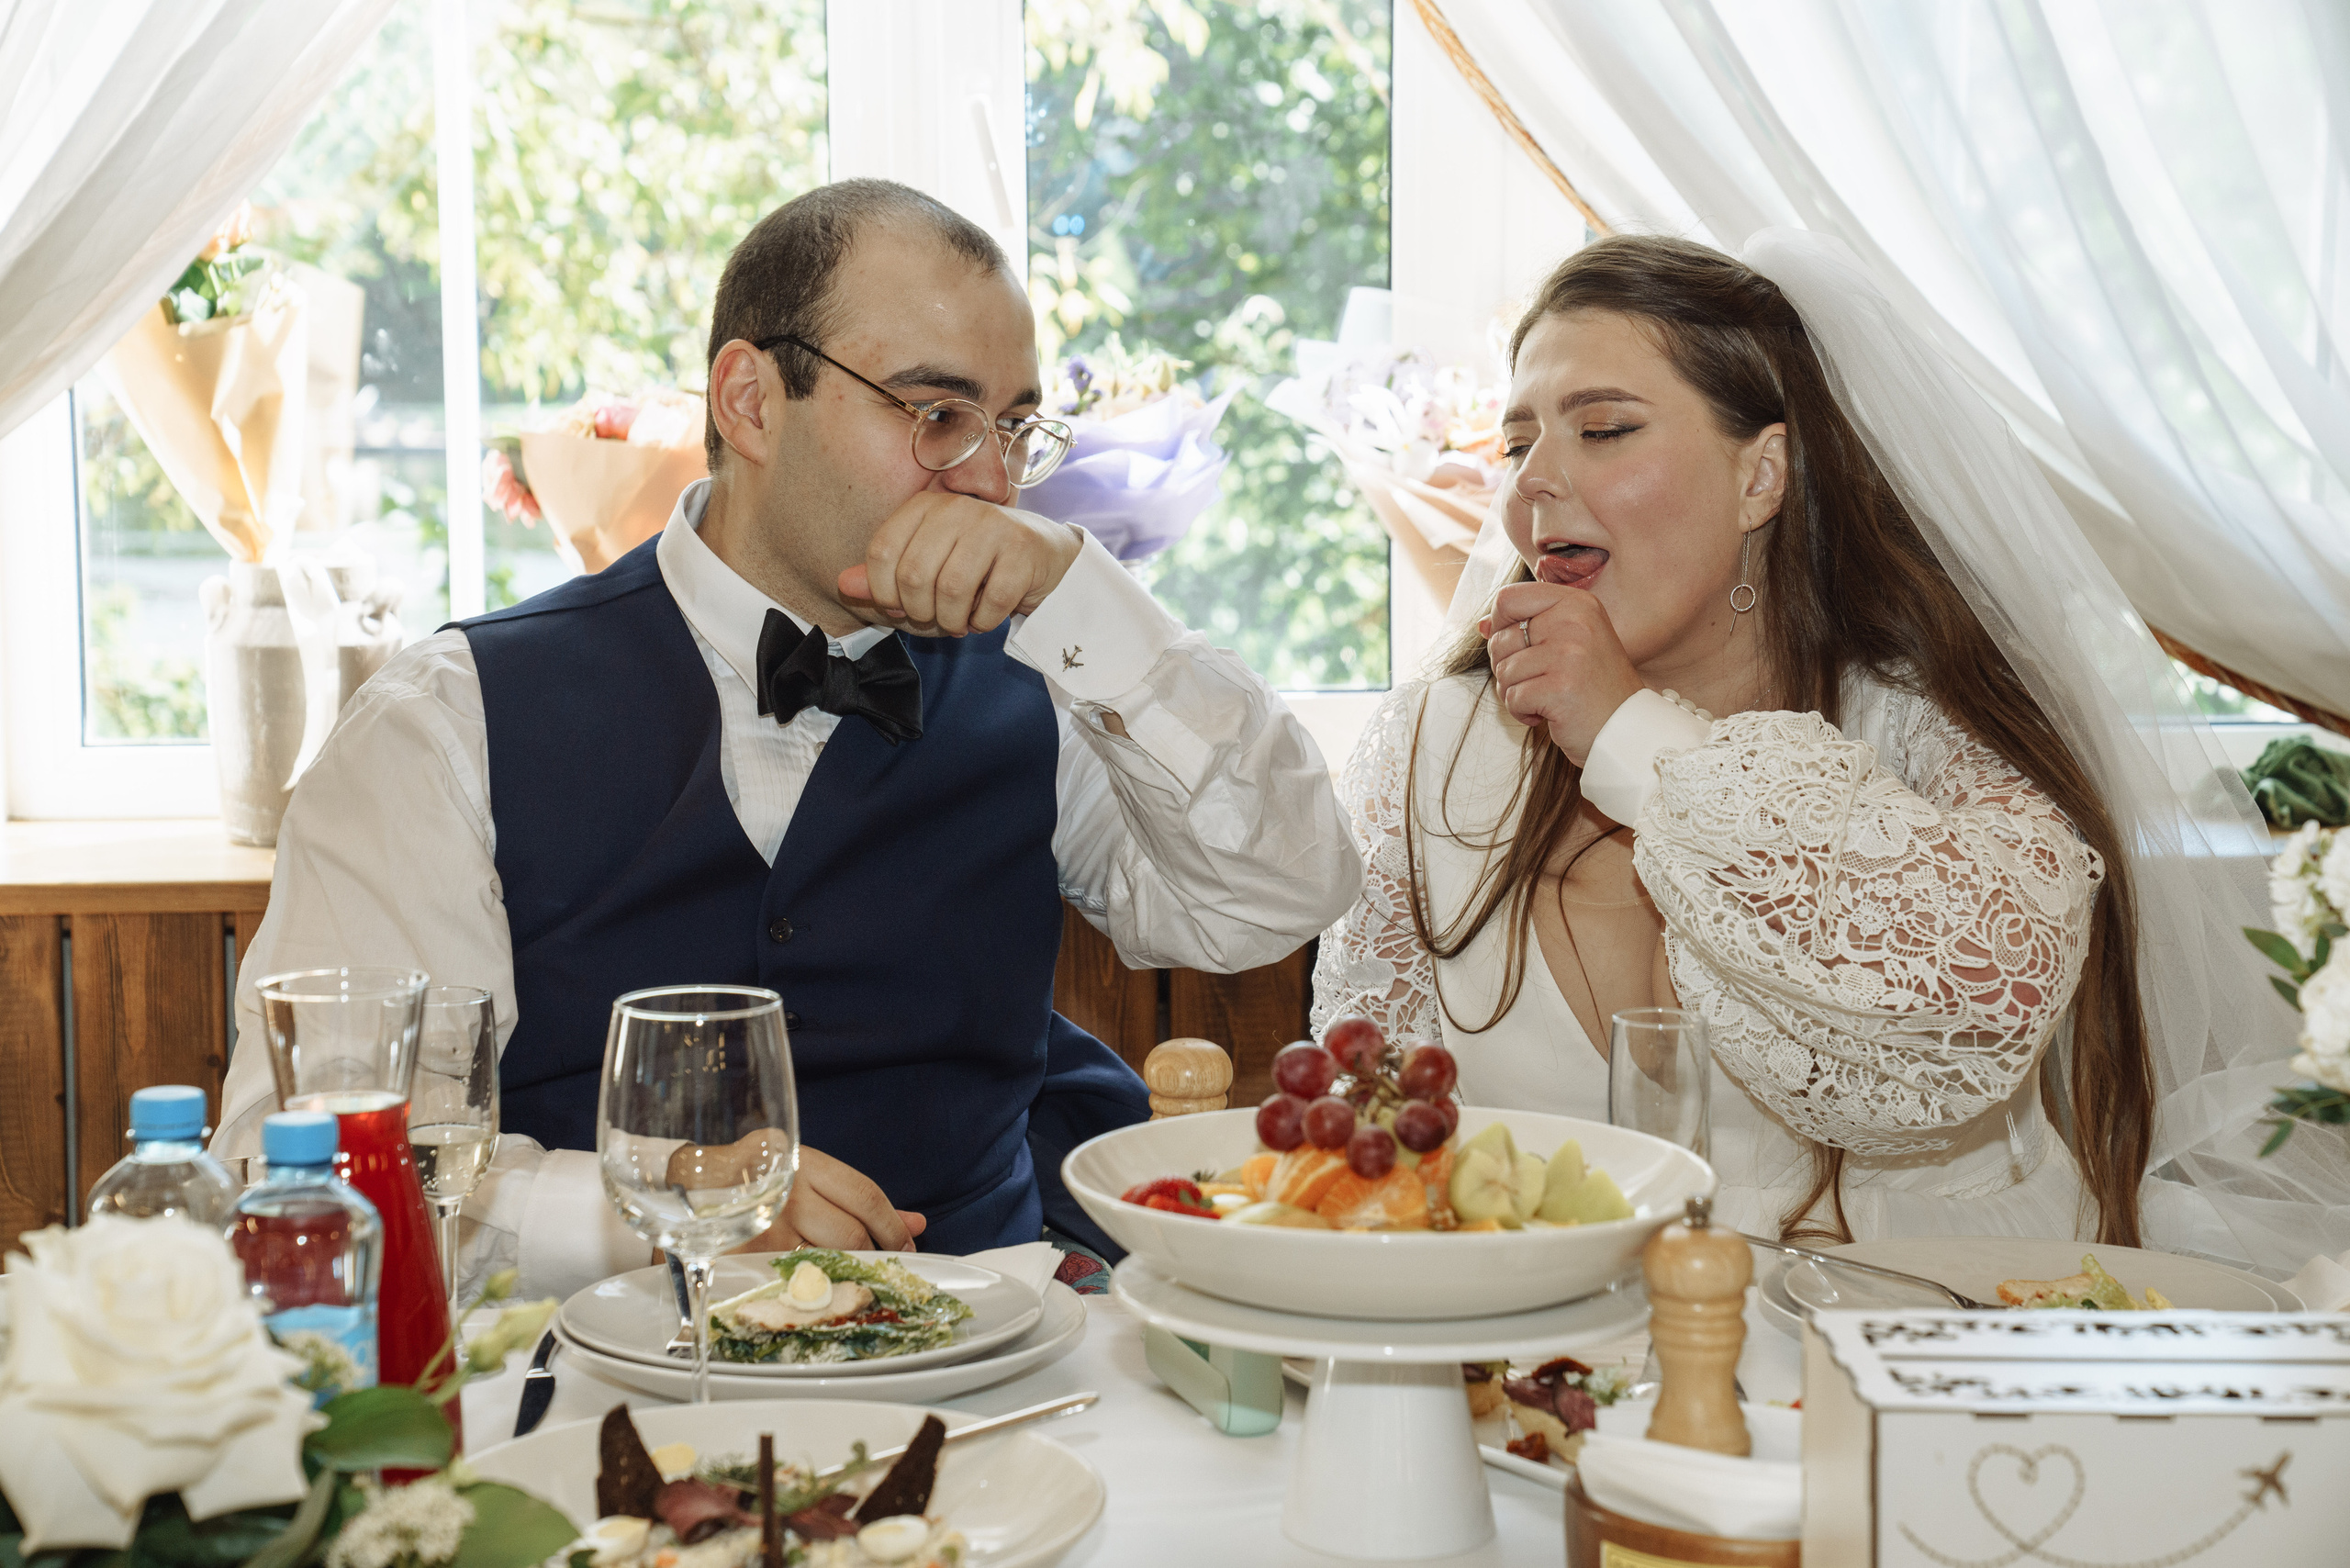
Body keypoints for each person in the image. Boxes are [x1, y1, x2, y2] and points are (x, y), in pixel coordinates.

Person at [217, 178, 1361, 1298]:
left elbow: (1274, 894)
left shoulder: (1051, 679)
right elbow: (296, 1164)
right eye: (936, 414)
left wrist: (1092, 605)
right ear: (750, 401)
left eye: (1013, 428)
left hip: (1000, 1371)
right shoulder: (445, 720)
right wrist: (643, 1207)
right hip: (605, 1405)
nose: (991, 480)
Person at [1313, 230, 2350, 1272]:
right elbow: (1370, 1130)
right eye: (1517, 442)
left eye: (1605, 428)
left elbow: (1985, 991)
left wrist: (1627, 732)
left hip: (1916, 1373)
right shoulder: (1427, 754)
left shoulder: (1939, 734)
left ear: (1762, 475)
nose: (1533, 482)